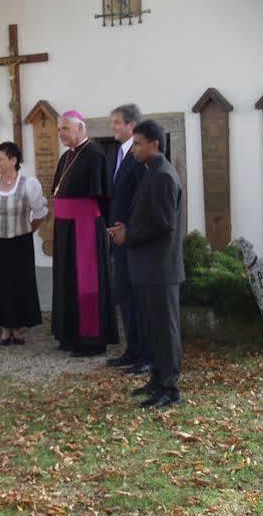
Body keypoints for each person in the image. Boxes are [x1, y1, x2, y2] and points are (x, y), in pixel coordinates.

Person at [108, 120, 185, 410]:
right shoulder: (150, 173)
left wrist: (130, 235)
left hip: (160, 269)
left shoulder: (163, 175)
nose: (134, 149)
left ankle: (170, 387)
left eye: (138, 143)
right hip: (147, 267)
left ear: (155, 144)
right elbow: (148, 217)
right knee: (153, 328)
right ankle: (157, 378)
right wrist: (126, 228)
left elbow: (164, 224)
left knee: (165, 330)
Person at [51, 110, 117, 356]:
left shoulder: (96, 156)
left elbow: (105, 199)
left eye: (65, 129)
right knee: (67, 280)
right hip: (65, 230)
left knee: (86, 283)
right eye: (59, 130)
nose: (61, 134)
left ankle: (91, 340)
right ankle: (69, 334)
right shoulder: (66, 158)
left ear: (80, 128)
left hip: (86, 229)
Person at [0, 141, 47, 345]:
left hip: (20, 242)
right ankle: (5, 328)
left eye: (0, 159)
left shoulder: (28, 184)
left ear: (13, 160)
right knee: (0, 283)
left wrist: (27, 230)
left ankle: (17, 327)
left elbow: (40, 212)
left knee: (20, 283)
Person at [105, 104, 149, 371]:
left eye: (117, 123)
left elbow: (141, 198)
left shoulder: (138, 155)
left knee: (137, 298)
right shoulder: (120, 154)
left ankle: (145, 354)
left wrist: (129, 230)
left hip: (132, 240)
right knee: (125, 296)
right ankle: (132, 349)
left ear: (131, 125)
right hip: (118, 239)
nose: (113, 128)